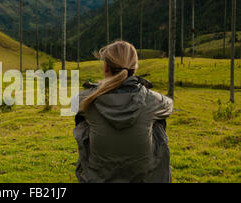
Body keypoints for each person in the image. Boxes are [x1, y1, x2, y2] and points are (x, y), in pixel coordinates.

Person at [73, 41, 173, 183]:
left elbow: (73, 103)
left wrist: (98, 88)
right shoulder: (152, 101)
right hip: (143, 179)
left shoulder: (88, 99)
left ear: (106, 67)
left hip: (99, 179)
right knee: (157, 123)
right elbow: (169, 105)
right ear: (135, 68)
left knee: (83, 119)